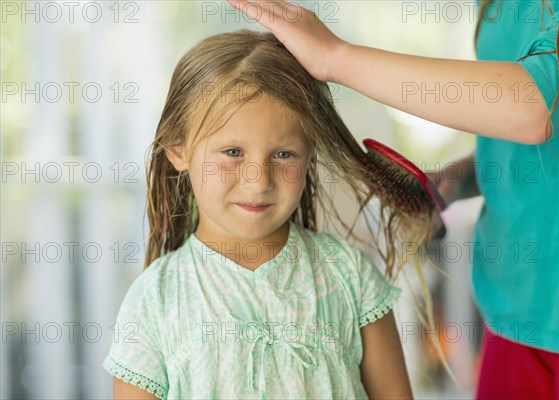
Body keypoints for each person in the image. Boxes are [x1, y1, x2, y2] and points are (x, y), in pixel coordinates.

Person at [225, 0, 559, 398]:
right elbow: (540, 133)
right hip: (513, 309)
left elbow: (537, 102)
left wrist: (335, 57)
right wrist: (458, 178)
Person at [102, 30, 424, 399]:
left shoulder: (348, 275)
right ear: (178, 149)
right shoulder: (155, 299)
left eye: (284, 154)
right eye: (233, 152)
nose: (258, 183)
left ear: (310, 151)